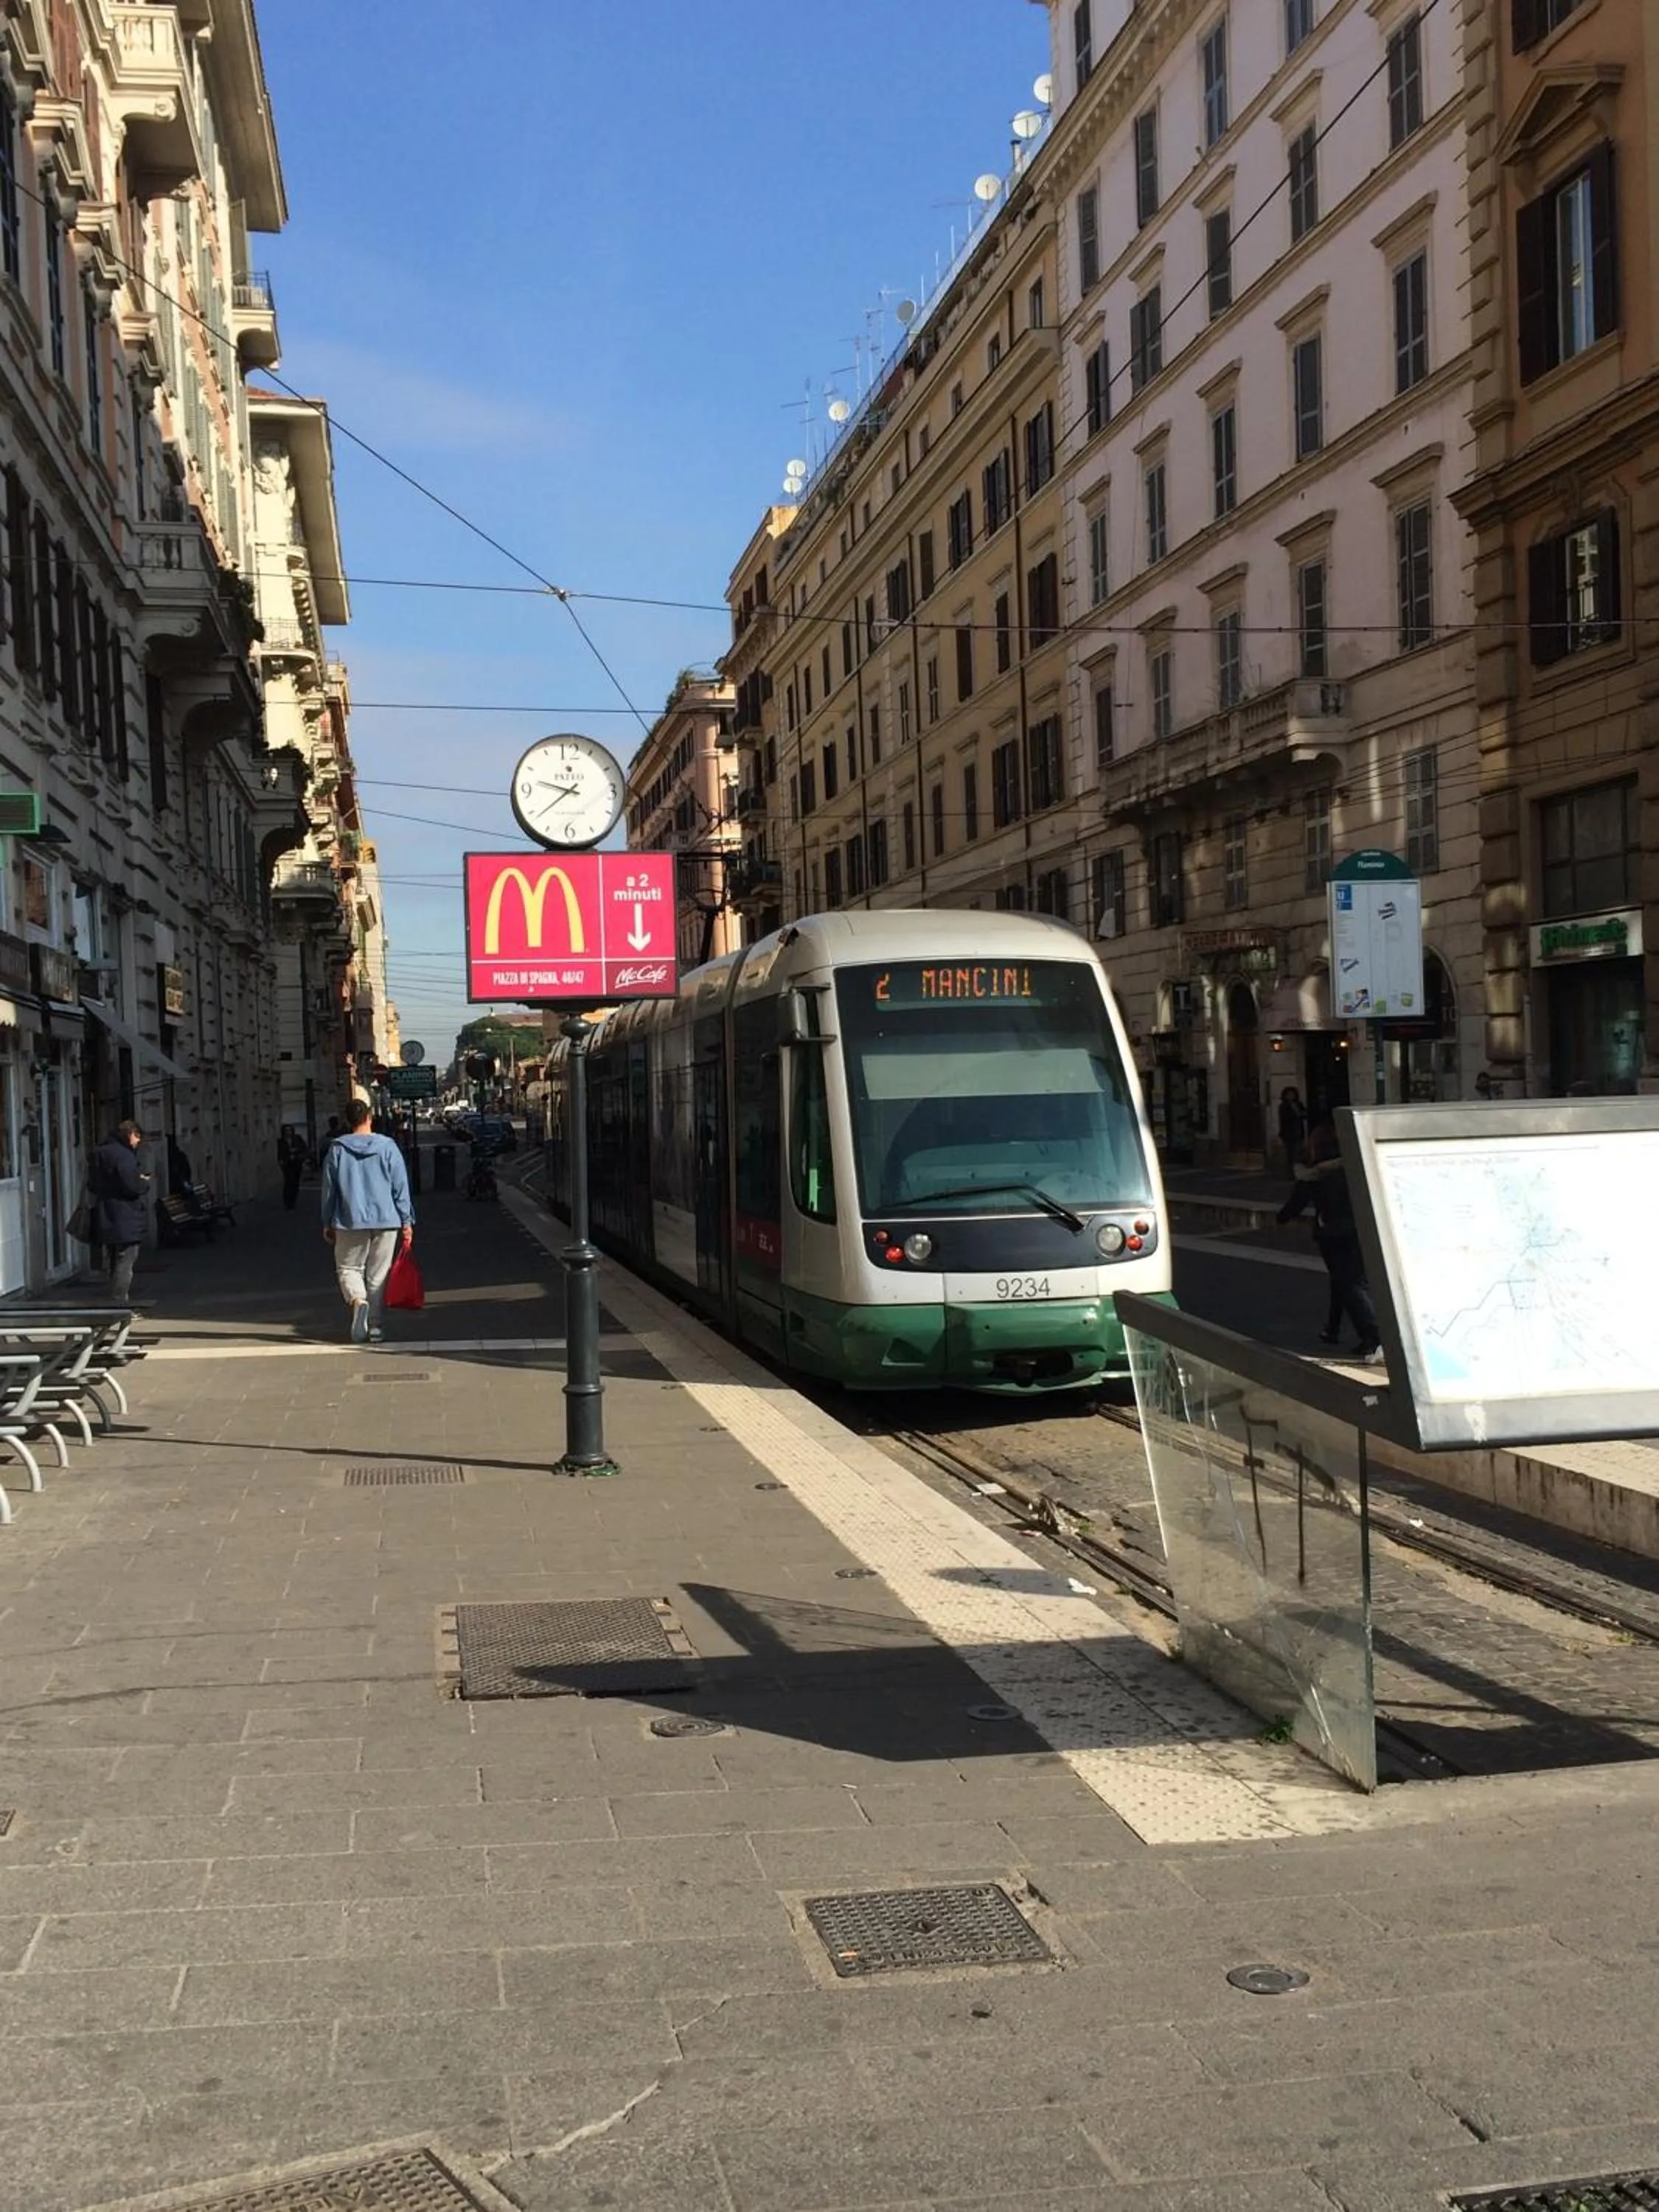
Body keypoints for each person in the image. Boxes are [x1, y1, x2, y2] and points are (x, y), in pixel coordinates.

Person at [1278, 1116, 1380, 1363]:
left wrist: (1282, 1217)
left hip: (1333, 1234)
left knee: (1350, 1284)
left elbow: (1297, 1202)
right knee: (1346, 1281)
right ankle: (1334, 1329)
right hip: (1362, 1229)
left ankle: (1374, 1337)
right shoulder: (1354, 1166)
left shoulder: (1314, 1172)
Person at [319, 1099, 414, 1344]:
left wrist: (327, 1221)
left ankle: (358, 1300)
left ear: (347, 1121)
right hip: (387, 1219)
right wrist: (406, 1220)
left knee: (349, 1268)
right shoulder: (388, 1147)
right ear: (370, 1118)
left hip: (349, 1219)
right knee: (378, 1275)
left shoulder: (337, 1149)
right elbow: (400, 1187)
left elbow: (329, 1191)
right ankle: (376, 1327)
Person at [89, 1120, 152, 1306]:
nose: (138, 1142)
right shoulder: (124, 1156)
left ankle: (114, 1303)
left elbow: (92, 1185)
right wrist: (143, 1182)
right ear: (129, 1134)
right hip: (125, 1215)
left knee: (113, 1260)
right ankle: (119, 1304)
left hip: (105, 1214)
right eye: (137, 1137)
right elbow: (131, 1185)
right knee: (126, 1260)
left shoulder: (99, 1153)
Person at [1275, 1086, 1307, 1180]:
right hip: (1288, 1133)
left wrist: (1299, 1112)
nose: (1290, 1096)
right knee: (1291, 1154)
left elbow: (1304, 1115)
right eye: (1288, 1095)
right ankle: (1291, 1173)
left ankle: (1296, 1172)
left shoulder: (1299, 1104)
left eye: (1292, 1094)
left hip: (1298, 1133)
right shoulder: (1283, 1106)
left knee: (1297, 1153)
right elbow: (1284, 1119)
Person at [276, 1125, 307, 1211]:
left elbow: (304, 1148)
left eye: (289, 1130)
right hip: (287, 1165)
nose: (288, 1132)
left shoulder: (297, 1139)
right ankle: (287, 1202)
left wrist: (298, 1154)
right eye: (286, 1130)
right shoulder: (281, 1141)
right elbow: (280, 1152)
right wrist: (281, 1160)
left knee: (295, 1183)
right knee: (288, 1182)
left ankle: (293, 1201)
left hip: (297, 1164)